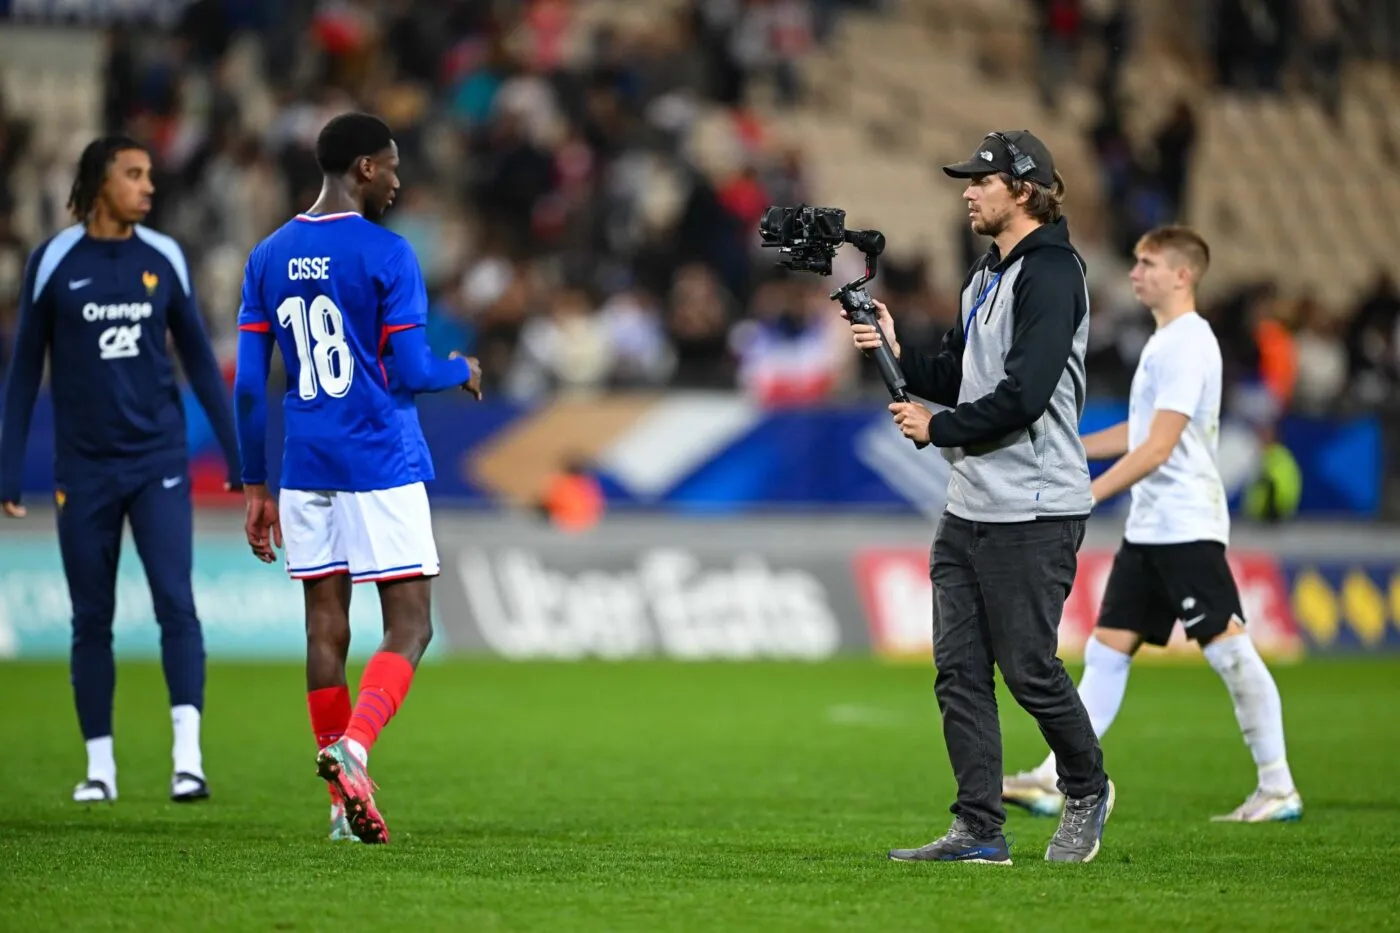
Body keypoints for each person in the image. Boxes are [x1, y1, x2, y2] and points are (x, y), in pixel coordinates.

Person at [848, 130, 1112, 865]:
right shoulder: (987, 274)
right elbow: (959, 373)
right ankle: (979, 828)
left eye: (981, 180)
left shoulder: (1051, 272)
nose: (967, 192)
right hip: (970, 505)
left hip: (1035, 504)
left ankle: (1087, 787)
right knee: (959, 672)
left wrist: (939, 428)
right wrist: (897, 351)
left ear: (1023, 190)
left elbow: (1025, 395)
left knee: (1029, 668)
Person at [233, 113, 483, 844]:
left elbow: (248, 388)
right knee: (411, 624)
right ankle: (356, 749)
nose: (399, 180)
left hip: (304, 465)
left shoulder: (267, 255)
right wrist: (461, 369)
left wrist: (255, 486)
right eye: (392, 165)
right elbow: (413, 369)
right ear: (365, 168)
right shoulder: (388, 252)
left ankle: (340, 808)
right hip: (378, 458)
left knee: (324, 627)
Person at [1002, 225, 1304, 823]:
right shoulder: (1166, 341)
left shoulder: (1188, 344)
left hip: (1184, 524)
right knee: (1107, 649)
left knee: (1229, 650)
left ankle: (1277, 787)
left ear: (1182, 274)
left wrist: (1087, 493)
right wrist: (1069, 449)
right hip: (1152, 527)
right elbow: (1141, 431)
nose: (1135, 272)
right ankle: (1056, 777)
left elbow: (1159, 446)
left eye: (1148, 263)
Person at [0, 136, 241, 804]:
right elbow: (23, 373)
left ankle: (188, 760)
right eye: (133, 174)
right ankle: (99, 768)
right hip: (83, 468)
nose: (148, 186)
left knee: (176, 603)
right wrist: (7, 468)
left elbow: (200, 362)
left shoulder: (164, 256)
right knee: (91, 616)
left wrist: (238, 455)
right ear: (98, 182)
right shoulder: (53, 260)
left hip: (157, 460)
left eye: (149, 174)